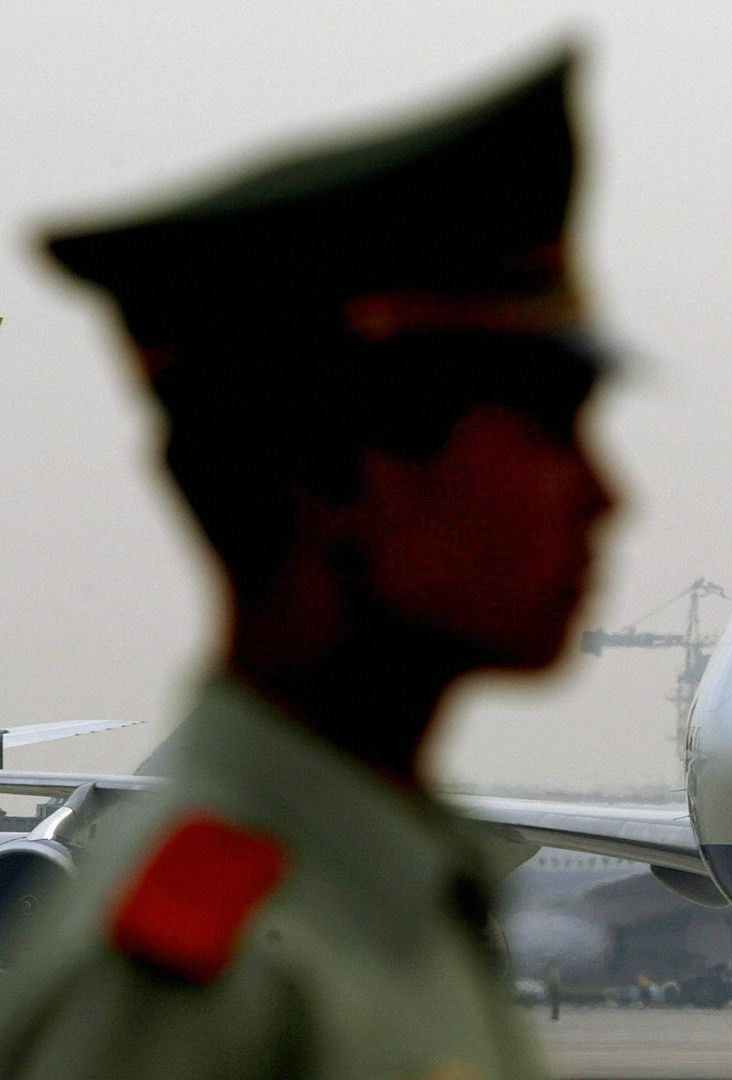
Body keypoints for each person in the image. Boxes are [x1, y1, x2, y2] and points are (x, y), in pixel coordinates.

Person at [0, 46, 616, 1079]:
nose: (605, 495)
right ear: (341, 487)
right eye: (541, 430)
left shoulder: (378, 903)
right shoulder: (200, 982)